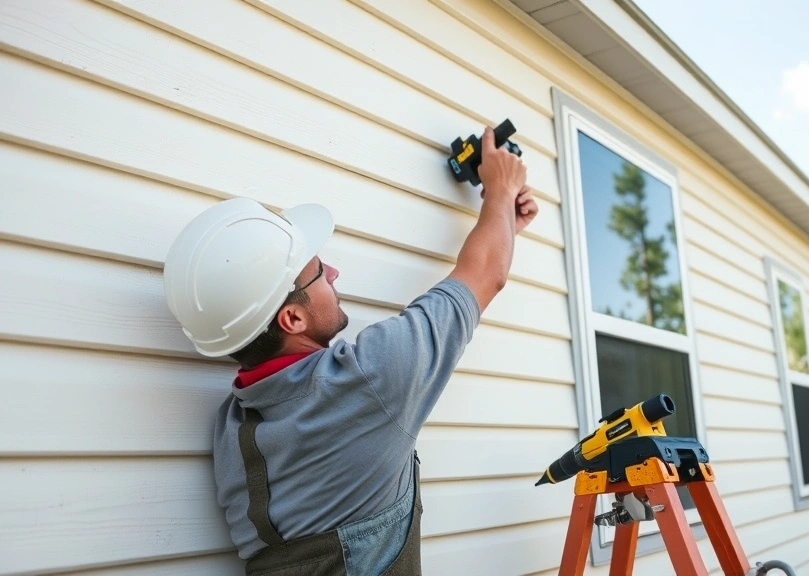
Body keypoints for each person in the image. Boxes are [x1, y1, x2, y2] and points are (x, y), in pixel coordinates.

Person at [162, 126, 537, 575]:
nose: (334, 272)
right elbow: (484, 274)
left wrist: (502, 223)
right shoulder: (369, 381)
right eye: (318, 271)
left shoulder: (233, 425)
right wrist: (501, 188)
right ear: (292, 319)